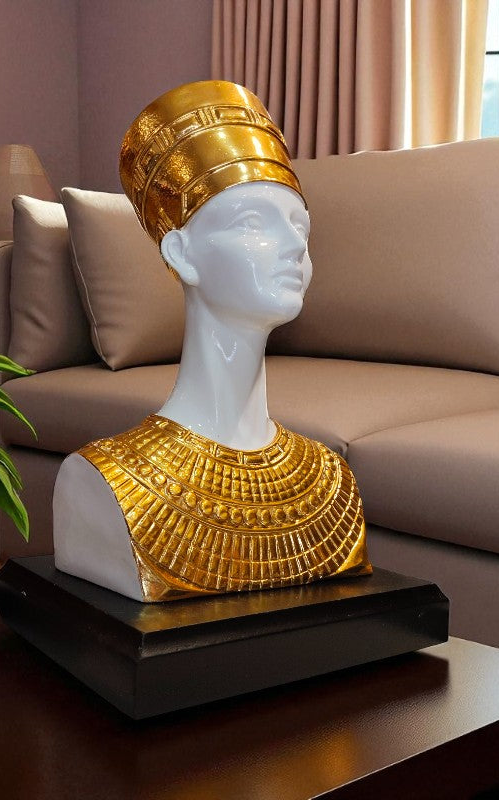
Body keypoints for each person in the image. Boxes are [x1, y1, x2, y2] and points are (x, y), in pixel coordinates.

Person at [53, 81, 371, 601]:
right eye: (254, 222)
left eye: (300, 226)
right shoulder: (104, 483)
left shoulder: (331, 484)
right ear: (181, 254)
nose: (294, 246)